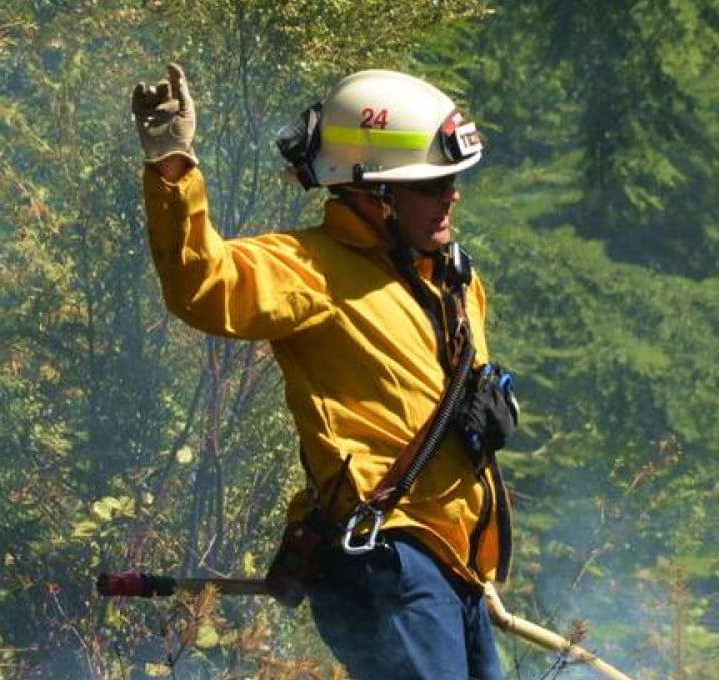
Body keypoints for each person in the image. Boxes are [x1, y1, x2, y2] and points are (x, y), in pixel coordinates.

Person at [131, 63, 517, 680]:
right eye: (432, 183)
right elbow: (202, 285)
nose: (452, 194)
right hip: (391, 566)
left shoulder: (454, 282)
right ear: (374, 193)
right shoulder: (310, 267)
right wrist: (172, 167)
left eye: (453, 179)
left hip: (455, 568)